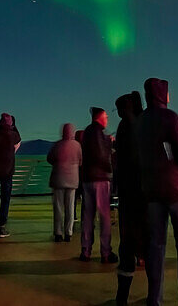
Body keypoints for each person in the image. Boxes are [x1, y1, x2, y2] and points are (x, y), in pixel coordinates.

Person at [137, 78, 178, 306]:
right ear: (164, 94)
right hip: (177, 190)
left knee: (156, 245)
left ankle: (155, 299)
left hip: (152, 191)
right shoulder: (170, 117)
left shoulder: (141, 121)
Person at [114, 91, 145, 306]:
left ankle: (122, 297)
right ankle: (155, 294)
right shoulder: (143, 126)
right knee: (149, 242)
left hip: (128, 194)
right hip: (143, 193)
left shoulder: (124, 128)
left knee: (126, 244)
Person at [80, 106, 116, 262]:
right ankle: (105, 252)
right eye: (106, 117)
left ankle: (86, 250)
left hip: (87, 178)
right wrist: (109, 146)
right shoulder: (98, 133)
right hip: (100, 179)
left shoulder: (87, 132)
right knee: (104, 216)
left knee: (87, 216)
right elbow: (101, 155)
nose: (107, 119)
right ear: (100, 118)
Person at [47, 122, 82, 242]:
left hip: (58, 179)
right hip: (72, 180)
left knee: (58, 208)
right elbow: (80, 161)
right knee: (70, 207)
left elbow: (49, 158)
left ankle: (58, 233)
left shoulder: (57, 145)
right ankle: (69, 232)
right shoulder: (77, 146)